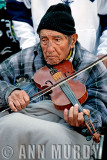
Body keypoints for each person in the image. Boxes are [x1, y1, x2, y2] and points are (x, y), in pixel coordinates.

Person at [0, 3, 107, 160]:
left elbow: (101, 109)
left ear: (72, 40)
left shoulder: (92, 66)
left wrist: (85, 119)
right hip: (26, 122)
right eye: (44, 40)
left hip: (68, 132)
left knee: (56, 140)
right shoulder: (27, 57)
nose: (49, 48)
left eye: (57, 40)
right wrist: (9, 92)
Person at [6, 0, 107, 67]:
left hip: (90, 58)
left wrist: (104, 51)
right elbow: (17, 9)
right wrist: (30, 48)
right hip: (41, 58)